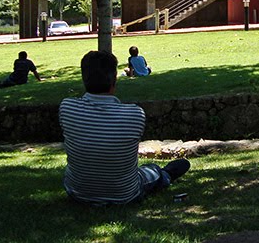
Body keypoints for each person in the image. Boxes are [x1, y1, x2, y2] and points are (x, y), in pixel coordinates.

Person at [58, 50, 189, 205]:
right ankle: (165, 175)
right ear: (114, 79)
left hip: (77, 192)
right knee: (153, 171)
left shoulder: (67, 108)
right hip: (124, 194)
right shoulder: (135, 114)